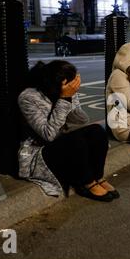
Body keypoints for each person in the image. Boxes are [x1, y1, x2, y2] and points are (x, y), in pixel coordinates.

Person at [18, 60, 118, 202]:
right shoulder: (28, 97)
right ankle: (86, 183)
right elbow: (49, 135)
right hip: (41, 149)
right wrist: (64, 99)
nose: (73, 87)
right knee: (75, 139)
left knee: (97, 131)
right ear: (56, 84)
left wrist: (71, 97)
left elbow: (80, 121)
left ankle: (97, 177)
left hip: (65, 141)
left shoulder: (67, 91)